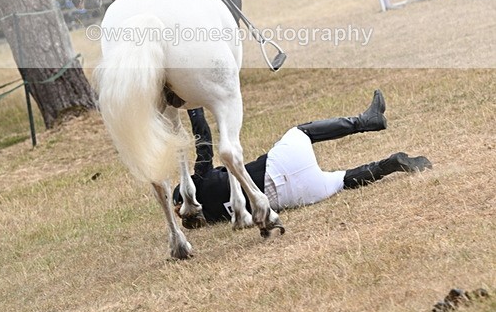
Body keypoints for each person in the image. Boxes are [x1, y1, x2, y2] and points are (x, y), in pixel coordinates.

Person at [175, 91, 432, 223]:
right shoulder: (201, 182)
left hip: (294, 196)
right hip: (278, 166)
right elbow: (203, 141)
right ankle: (365, 121)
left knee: (341, 181)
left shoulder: (213, 218)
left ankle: (390, 164)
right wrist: (191, 104)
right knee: (301, 132)